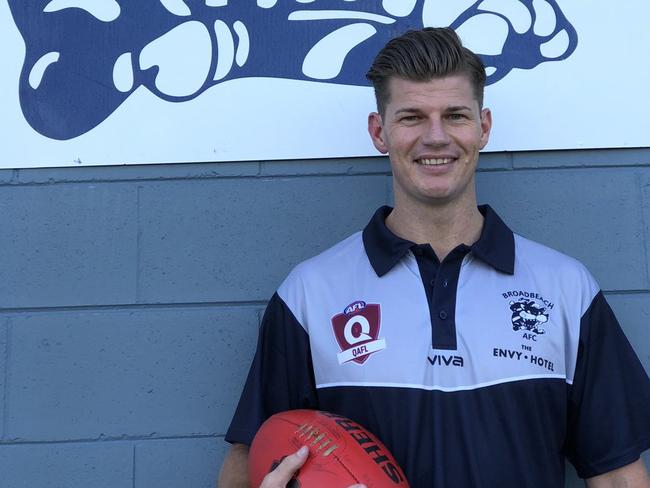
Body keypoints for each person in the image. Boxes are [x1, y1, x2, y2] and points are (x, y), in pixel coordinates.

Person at [218, 27, 650, 487]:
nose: (436, 137)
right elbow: (250, 460)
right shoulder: (310, 294)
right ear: (379, 131)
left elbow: (617, 474)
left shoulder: (565, 288)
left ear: (483, 127)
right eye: (412, 117)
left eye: (456, 115)